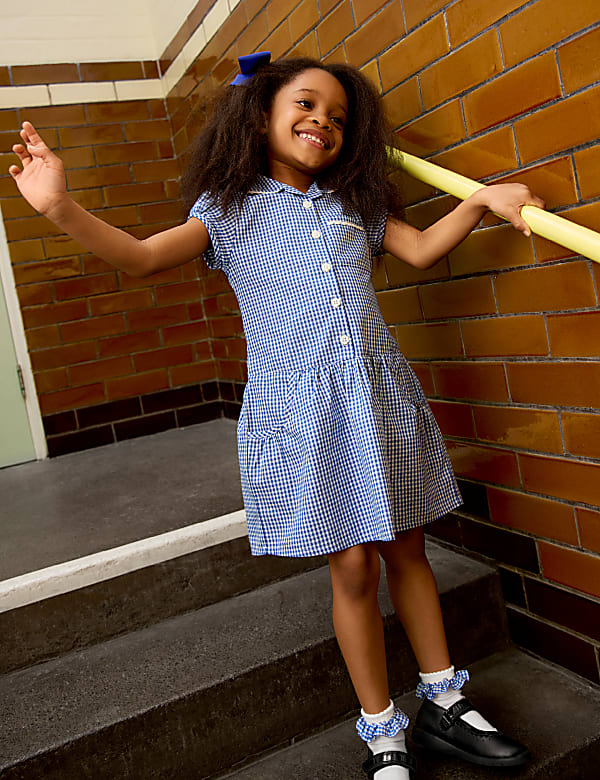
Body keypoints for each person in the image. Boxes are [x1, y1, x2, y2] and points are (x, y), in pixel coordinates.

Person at [9, 52, 544, 779]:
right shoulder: (226, 211)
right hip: (304, 412)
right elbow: (140, 258)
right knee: (352, 564)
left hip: (379, 399)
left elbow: (419, 250)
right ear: (261, 115)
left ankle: (445, 703)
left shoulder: (355, 203)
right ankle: (381, 729)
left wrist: (480, 200)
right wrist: (58, 208)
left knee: (407, 548)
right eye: (306, 105)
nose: (322, 121)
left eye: (338, 117)